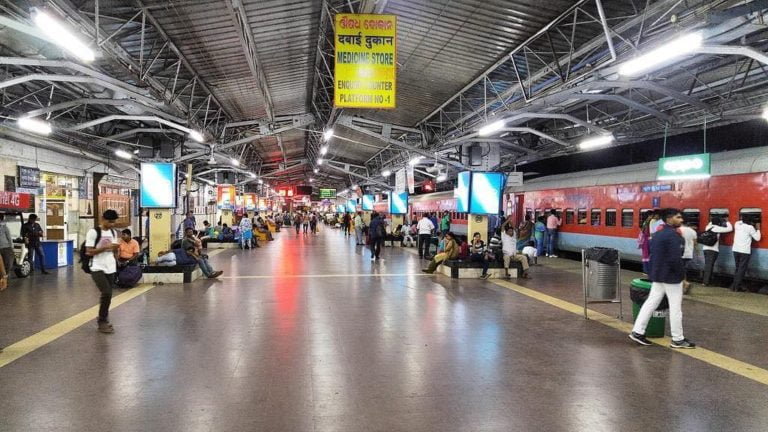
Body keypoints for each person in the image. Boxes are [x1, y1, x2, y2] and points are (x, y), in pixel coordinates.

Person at [630, 208, 695, 349]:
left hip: (658, 276)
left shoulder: (657, 234)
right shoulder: (674, 236)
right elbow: (675, 259)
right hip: (671, 278)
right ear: (669, 219)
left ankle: (637, 331)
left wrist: (653, 273)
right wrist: (682, 277)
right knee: (676, 308)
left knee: (650, 304)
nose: (681, 220)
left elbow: (653, 255)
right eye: (678, 217)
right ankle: (678, 339)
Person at [85, 210, 121, 333]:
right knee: (106, 292)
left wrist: (117, 257)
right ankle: (102, 321)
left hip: (110, 266)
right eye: (109, 222)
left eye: (113, 222)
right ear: (103, 219)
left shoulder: (113, 232)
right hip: (97, 267)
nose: (111, 224)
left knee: (109, 295)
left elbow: (115, 249)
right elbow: (89, 251)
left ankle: (104, 318)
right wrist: (105, 247)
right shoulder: (94, 232)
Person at [730, 216, 761, 292]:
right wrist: (758, 229)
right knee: (741, 269)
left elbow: (741, 221)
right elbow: (757, 238)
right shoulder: (750, 228)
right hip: (744, 251)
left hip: (735, 250)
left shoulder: (737, 224)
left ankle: (734, 286)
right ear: (750, 222)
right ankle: (736, 287)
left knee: (737, 268)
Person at [700, 216, 733, 286]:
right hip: (712, 250)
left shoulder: (708, 227)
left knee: (708, 265)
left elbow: (710, 223)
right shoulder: (717, 228)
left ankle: (707, 281)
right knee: (709, 266)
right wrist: (726, 221)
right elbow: (730, 229)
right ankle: (705, 282)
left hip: (705, 249)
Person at [679, 222, 697, 294]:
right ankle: (683, 286)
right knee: (682, 270)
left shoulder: (678, 229)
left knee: (677, 270)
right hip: (689, 254)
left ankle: (685, 284)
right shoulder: (693, 231)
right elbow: (695, 243)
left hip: (680, 253)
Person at [0, 213, 14, 285]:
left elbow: (9, 238)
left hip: (6, 248)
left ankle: (5, 280)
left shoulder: (4, 227)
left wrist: (11, 248)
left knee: (8, 264)